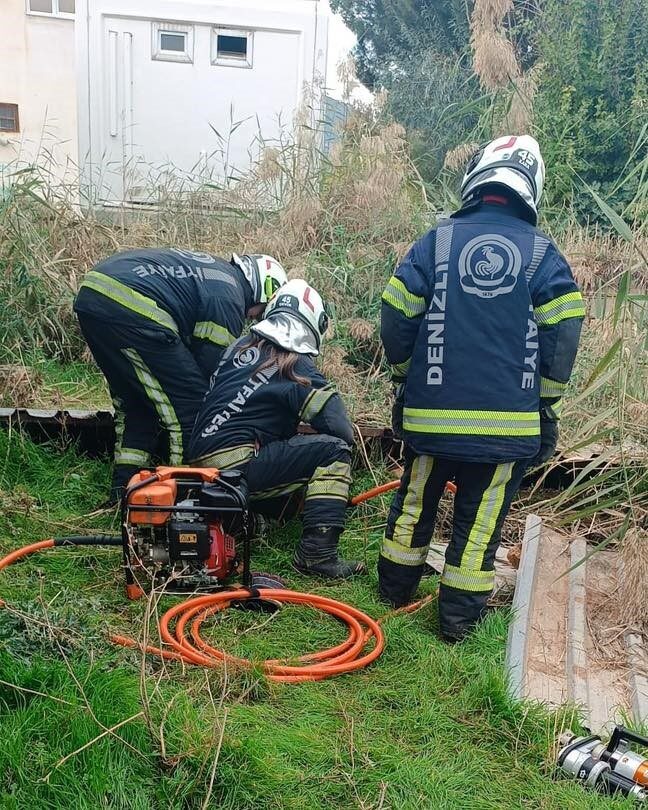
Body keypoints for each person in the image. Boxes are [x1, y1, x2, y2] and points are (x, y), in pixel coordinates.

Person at [378, 135, 585, 642]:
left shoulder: (438, 241)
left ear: (478, 178)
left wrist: (408, 378)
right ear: (529, 189)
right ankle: (456, 623)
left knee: (415, 501)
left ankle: (392, 593)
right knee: (480, 522)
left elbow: (396, 313)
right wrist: (546, 400)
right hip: (506, 427)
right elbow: (565, 331)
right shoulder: (543, 255)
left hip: (430, 419)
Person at [74, 250, 287, 500]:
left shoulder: (218, 276)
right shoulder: (230, 298)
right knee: (190, 411)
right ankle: (181, 501)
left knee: (138, 406)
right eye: (261, 312)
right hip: (131, 306)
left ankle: (123, 494)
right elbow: (212, 374)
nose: (254, 317)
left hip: (95, 295)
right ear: (263, 290)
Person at [188, 279, 365, 579]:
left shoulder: (240, 346)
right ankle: (317, 555)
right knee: (334, 452)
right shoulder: (293, 361)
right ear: (313, 323)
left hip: (201, 463)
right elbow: (340, 428)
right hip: (237, 464)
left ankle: (248, 524)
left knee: (287, 449)